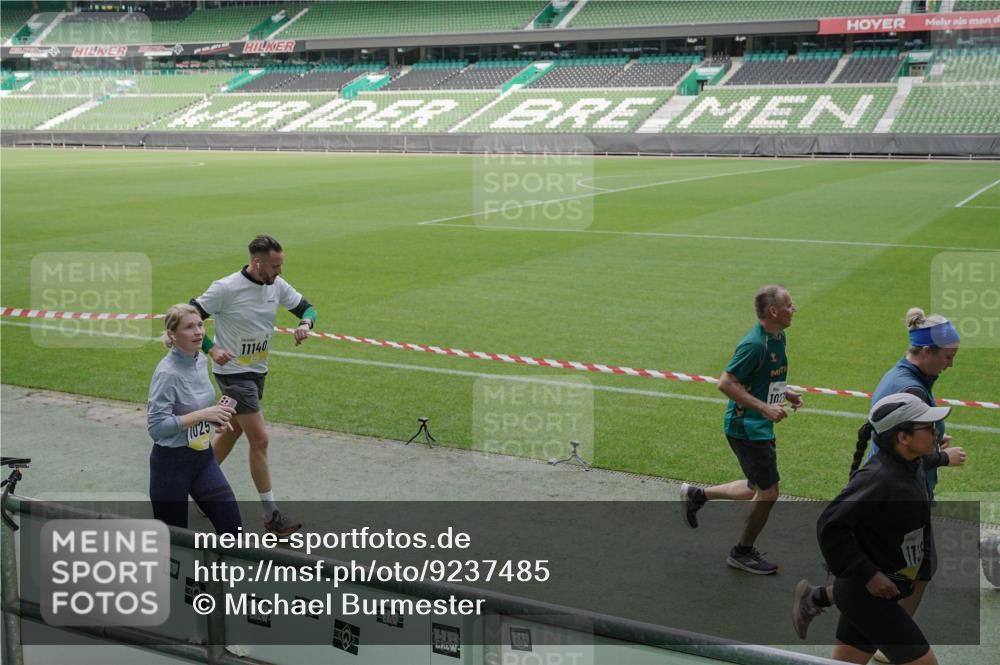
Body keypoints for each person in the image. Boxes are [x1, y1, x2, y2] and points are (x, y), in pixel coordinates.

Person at [792, 393, 952, 665]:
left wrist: (936, 451)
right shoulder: (880, 478)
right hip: (865, 595)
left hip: (876, 594)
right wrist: (870, 575)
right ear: (902, 437)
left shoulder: (910, 464)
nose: (935, 432)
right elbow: (830, 526)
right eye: (928, 428)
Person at [190, 235, 317, 535]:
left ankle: (199, 486)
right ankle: (272, 515)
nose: (279, 272)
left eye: (281, 265)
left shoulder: (277, 286)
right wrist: (210, 348)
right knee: (259, 439)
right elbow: (188, 316)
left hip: (258, 372)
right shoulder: (226, 288)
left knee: (232, 432)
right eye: (275, 266)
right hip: (234, 374)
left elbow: (308, 308)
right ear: (257, 262)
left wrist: (305, 324)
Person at [862, 308, 966, 662]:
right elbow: (904, 452)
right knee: (907, 574)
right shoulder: (910, 388)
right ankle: (890, 641)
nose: (950, 365)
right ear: (926, 352)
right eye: (948, 357)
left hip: (893, 493)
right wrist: (941, 457)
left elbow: (900, 440)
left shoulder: (905, 377)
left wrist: (932, 438)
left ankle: (884, 638)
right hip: (898, 498)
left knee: (911, 571)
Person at [680, 285, 802, 574]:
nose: (794, 309)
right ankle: (741, 552)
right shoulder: (754, 345)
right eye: (789, 305)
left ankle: (697, 495)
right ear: (773, 311)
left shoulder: (778, 337)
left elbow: (761, 377)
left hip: (757, 426)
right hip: (746, 428)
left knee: (754, 488)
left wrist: (784, 393)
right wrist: (764, 408)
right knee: (769, 493)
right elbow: (725, 382)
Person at [147, 304, 241, 534]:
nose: (199, 331)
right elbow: (157, 428)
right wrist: (203, 414)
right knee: (177, 544)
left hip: (203, 459)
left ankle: (221, 572)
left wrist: (214, 416)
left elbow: (194, 406)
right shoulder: (167, 373)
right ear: (172, 334)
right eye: (189, 327)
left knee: (233, 530)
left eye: (200, 324)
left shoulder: (199, 359)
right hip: (171, 467)